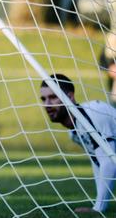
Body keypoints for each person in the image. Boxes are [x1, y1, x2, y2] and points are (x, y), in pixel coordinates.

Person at [40, 73, 116, 213]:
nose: (47, 104)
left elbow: (110, 163)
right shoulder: (74, 132)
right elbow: (98, 162)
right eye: (43, 99)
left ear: (69, 97)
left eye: (53, 97)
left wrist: (98, 209)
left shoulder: (94, 114)